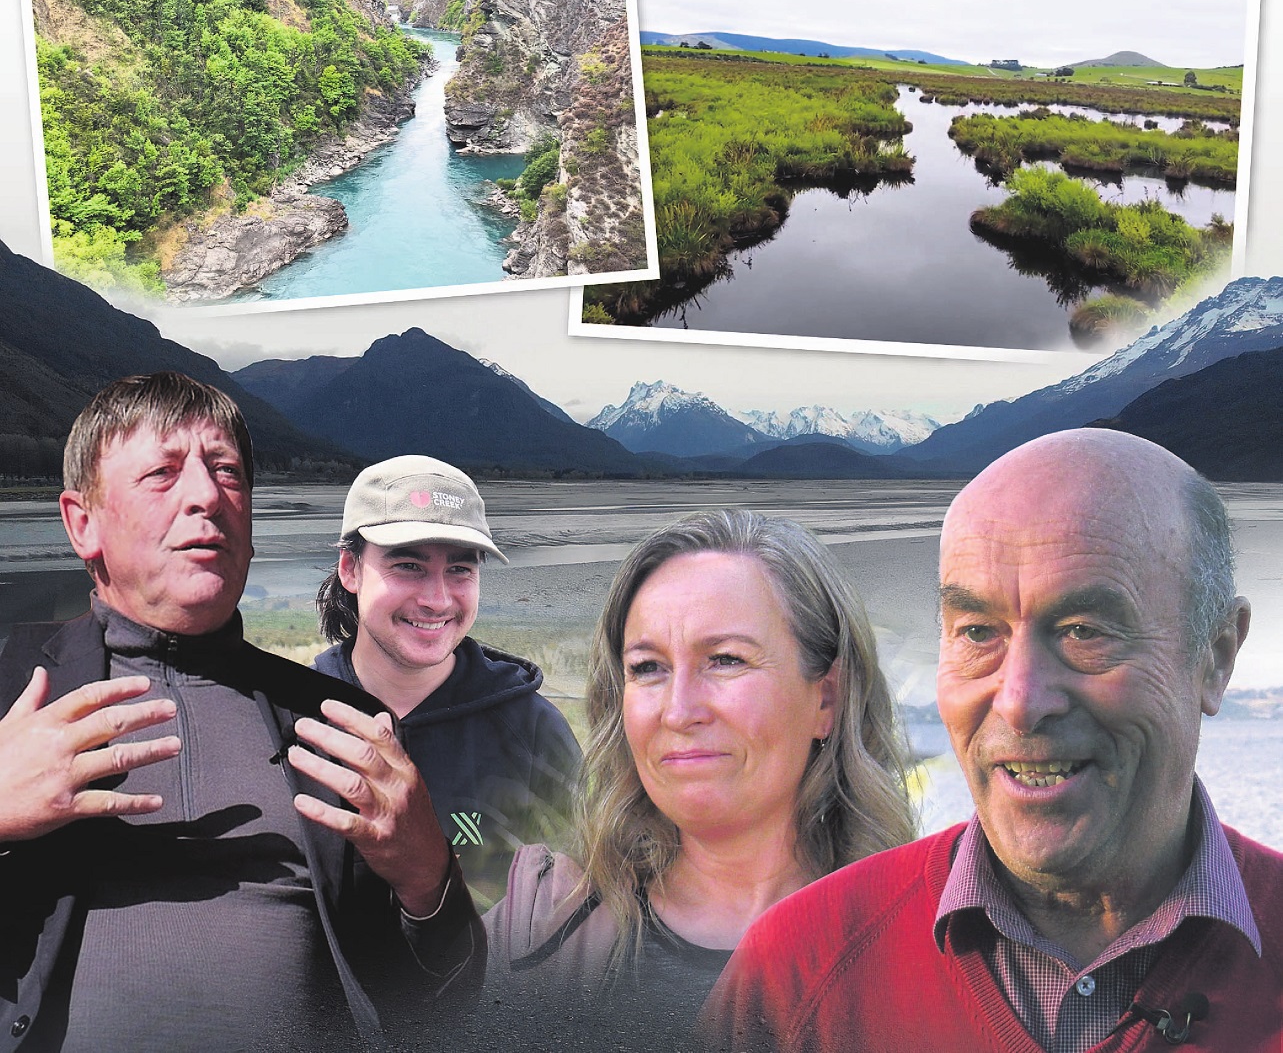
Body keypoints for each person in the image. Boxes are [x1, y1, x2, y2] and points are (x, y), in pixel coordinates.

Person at [706, 429, 1283, 1052]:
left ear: (1217, 656)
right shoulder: (794, 975)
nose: (1019, 701)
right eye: (978, 632)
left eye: (1084, 630)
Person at [0, 373, 483, 1052]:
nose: (206, 496)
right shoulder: (8, 687)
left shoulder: (343, 722)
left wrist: (428, 879)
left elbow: (441, 1000)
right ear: (84, 523)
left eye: (226, 471)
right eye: (163, 473)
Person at [485, 509, 917, 1049]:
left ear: (826, 698)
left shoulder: (929, 951)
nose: (678, 711)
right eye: (647, 667)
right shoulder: (541, 928)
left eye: (726, 660)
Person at [313, 455, 581, 909]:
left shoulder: (533, 732)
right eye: (409, 566)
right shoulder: (292, 719)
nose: (437, 600)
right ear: (350, 570)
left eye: (460, 569)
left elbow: (584, 907)